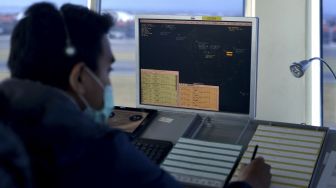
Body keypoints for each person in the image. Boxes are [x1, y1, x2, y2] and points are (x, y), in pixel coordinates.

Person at [0, 2, 271, 188]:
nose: (107, 81)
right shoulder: (96, 149)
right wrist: (248, 184)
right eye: (107, 68)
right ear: (80, 77)